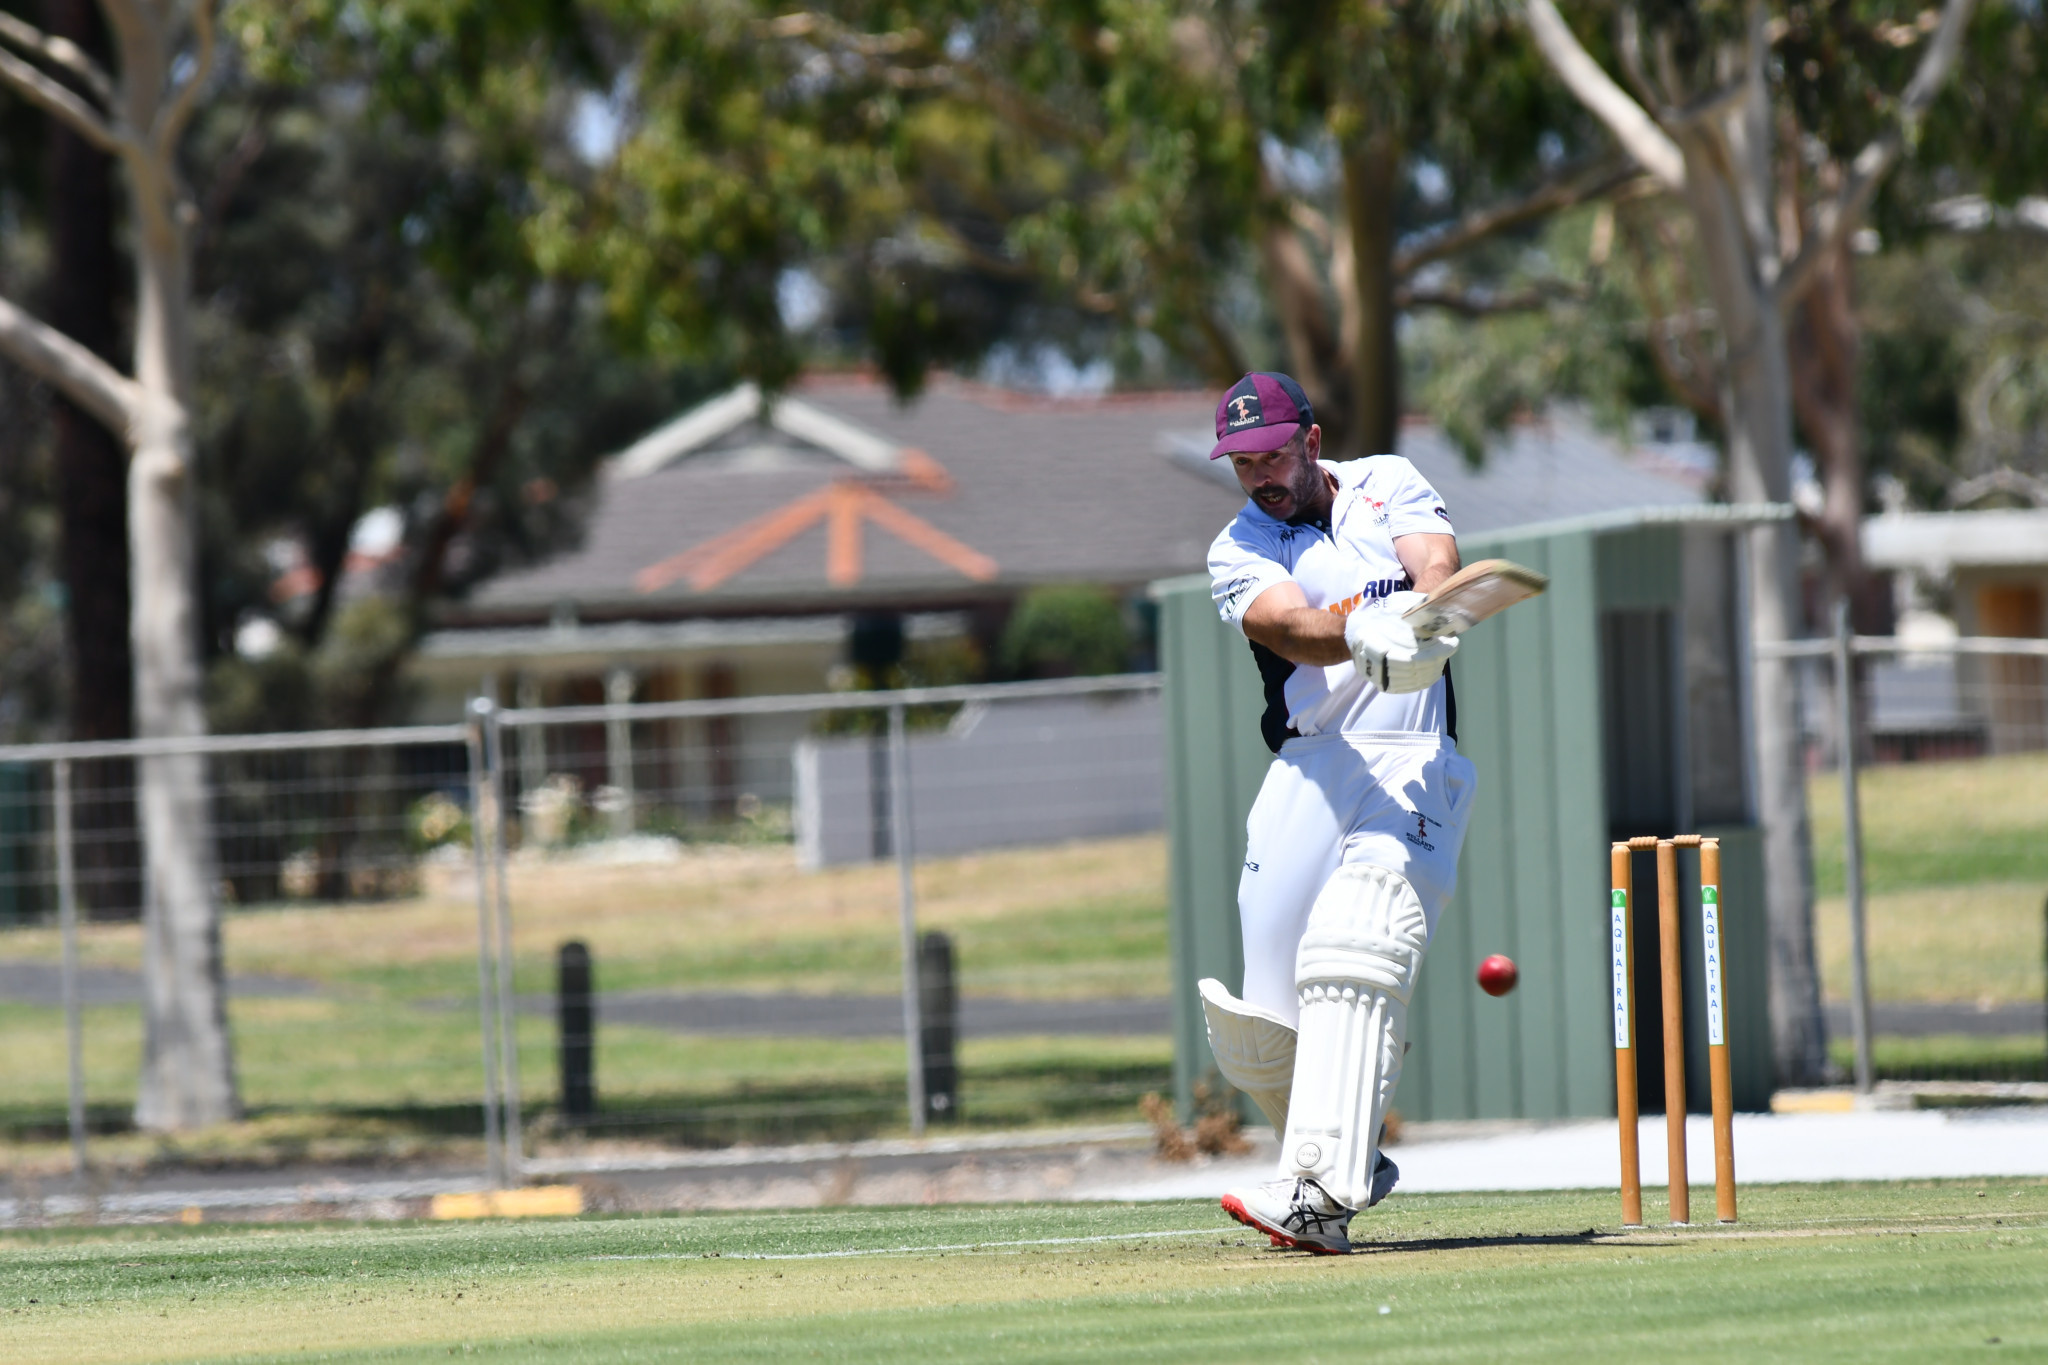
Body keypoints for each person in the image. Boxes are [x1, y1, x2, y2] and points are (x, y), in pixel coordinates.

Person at [1198, 371, 1477, 1253]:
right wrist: (1363, 629)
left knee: (1356, 941)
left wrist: (1426, 609)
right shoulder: (1236, 547)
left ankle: (1319, 1195)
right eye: (1241, 462)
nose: (1258, 475)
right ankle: (1356, 1143)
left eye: (1272, 453)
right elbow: (1291, 627)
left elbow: (1436, 558)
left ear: (1311, 442)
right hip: (1309, 767)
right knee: (1256, 1032)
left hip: (1411, 758)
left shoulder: (1386, 478)